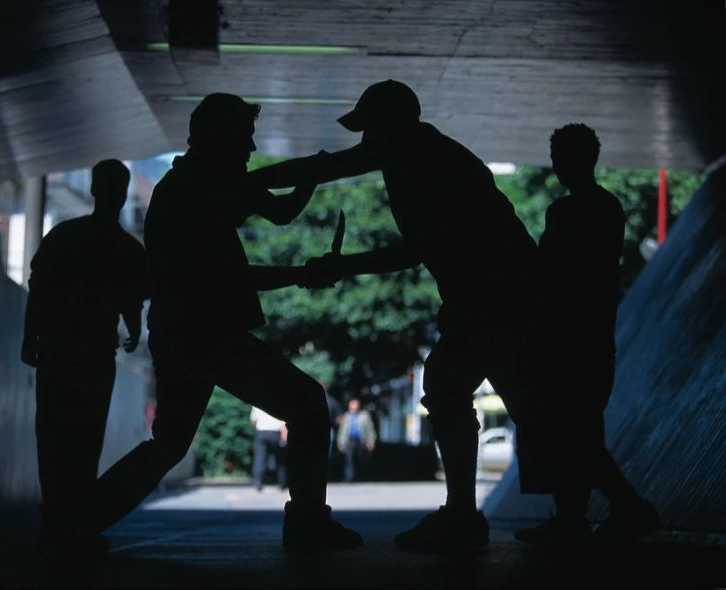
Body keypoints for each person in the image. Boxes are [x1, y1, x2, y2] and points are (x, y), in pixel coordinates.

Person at [248, 79, 541, 553]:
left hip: (496, 294)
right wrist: (252, 182)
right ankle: (478, 514)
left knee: (455, 387)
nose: (364, 142)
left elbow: (416, 247)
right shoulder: (416, 153)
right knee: (518, 402)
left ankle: (465, 516)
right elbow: (329, 167)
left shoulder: (428, 161)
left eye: (370, 130)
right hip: (497, 294)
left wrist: (345, 263)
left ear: (392, 127)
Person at [90, 93, 362, 552]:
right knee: (308, 404)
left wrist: (306, 182)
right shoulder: (197, 197)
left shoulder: (193, 190)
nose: (251, 151)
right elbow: (237, 272)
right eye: (244, 141)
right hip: (206, 334)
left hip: (184, 333)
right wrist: (301, 270)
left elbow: (276, 211)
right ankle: (307, 523)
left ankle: (77, 522)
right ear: (219, 141)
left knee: (169, 443)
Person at [514, 124, 660, 545]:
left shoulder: (573, 212)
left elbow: (555, 271)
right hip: (587, 335)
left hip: (574, 337)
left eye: (562, 155)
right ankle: (574, 516)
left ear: (582, 159)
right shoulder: (602, 209)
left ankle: (624, 506)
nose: (558, 164)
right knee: (578, 431)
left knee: (572, 433)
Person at [20, 159, 146, 560]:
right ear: (122, 193)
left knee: (52, 437)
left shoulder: (63, 236)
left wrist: (29, 336)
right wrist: (132, 328)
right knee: (85, 438)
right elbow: (131, 296)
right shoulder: (127, 248)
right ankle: (76, 525)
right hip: (95, 355)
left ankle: (54, 523)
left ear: (92, 189)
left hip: (58, 352)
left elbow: (39, 288)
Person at [336, 398, 377, 482]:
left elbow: (370, 429)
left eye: (356, 404)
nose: (355, 406)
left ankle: (363, 476)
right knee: (349, 459)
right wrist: (340, 443)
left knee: (362, 459)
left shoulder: (364, 415)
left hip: (361, 441)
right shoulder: (346, 416)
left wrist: (371, 441)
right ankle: (349, 477)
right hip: (350, 441)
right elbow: (342, 431)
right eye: (353, 404)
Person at [250, 406, 287, 491]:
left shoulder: (257, 403)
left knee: (259, 458)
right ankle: (282, 483)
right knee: (280, 458)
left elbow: (253, 420)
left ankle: (258, 482)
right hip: (275, 432)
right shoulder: (278, 401)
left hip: (261, 431)